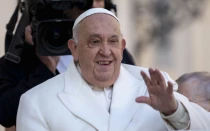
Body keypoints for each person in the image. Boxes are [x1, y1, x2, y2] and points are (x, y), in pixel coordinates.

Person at [16, 8, 210, 131]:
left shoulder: (152, 84)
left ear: (122, 46)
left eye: (113, 41)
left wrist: (173, 110)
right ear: (74, 49)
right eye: (94, 42)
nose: (105, 51)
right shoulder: (36, 102)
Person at [0, 0, 135, 130]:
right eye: (84, 2)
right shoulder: (20, 57)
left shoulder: (113, 54)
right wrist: (43, 70)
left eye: (99, 0)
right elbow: (6, 114)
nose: (93, 5)